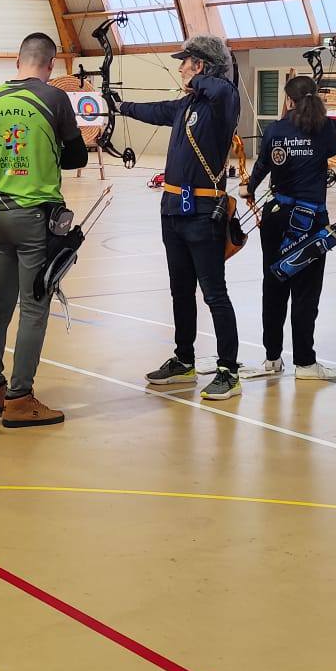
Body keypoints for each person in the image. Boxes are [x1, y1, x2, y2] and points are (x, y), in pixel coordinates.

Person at [120, 34, 246, 401]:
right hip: (173, 210)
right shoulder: (187, 104)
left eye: (186, 63)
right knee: (180, 291)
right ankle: (184, 359)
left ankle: (228, 371)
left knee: (214, 294)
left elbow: (220, 88)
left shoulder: (223, 101)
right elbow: (156, 110)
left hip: (204, 213)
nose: (180, 70)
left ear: (201, 65)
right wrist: (120, 105)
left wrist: (200, 78)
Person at [0, 31, 88, 427]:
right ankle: (19, 398)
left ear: (17, 60)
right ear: (51, 65)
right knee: (35, 306)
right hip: (35, 215)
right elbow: (77, 156)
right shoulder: (54, 98)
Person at [242, 73, 336, 382]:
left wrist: (249, 188)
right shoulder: (324, 128)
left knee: (274, 286)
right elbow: (333, 151)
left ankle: (272, 358)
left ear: (288, 100)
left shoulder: (276, 129)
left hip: (277, 216)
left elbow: (263, 165)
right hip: (310, 220)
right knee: (305, 292)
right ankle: (305, 363)